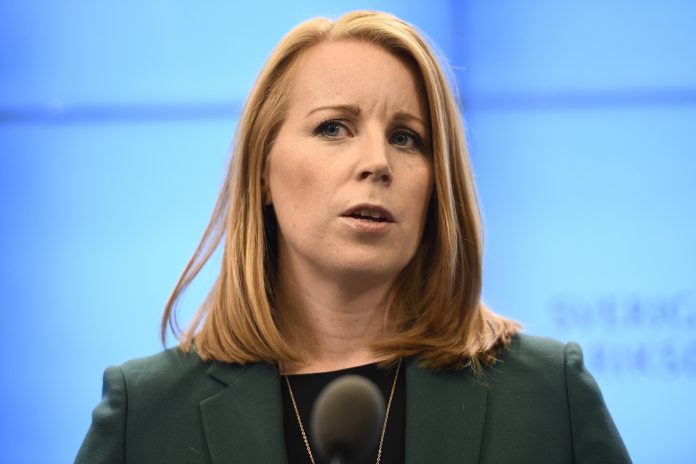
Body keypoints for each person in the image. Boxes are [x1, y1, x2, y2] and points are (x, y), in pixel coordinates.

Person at [75, 10, 631, 464]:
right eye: (333, 127)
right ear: (262, 171)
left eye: (406, 138)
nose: (377, 162)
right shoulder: (144, 414)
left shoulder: (548, 394)